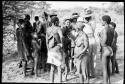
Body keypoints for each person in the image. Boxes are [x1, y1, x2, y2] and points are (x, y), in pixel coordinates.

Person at [46, 16, 64, 83]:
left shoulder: (48, 29)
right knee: (59, 67)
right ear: (56, 21)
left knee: (52, 68)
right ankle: (60, 82)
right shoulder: (58, 28)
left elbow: (46, 41)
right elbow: (61, 38)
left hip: (50, 50)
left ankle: (52, 82)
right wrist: (61, 46)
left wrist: (48, 49)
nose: (58, 22)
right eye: (58, 21)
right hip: (57, 49)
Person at [99, 15, 114, 83]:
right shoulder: (112, 29)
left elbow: (103, 42)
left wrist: (99, 38)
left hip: (105, 50)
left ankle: (105, 82)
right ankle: (109, 82)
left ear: (104, 22)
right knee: (108, 67)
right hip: (110, 49)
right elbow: (111, 40)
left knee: (104, 69)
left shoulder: (104, 29)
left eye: (101, 21)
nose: (101, 22)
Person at [82, 9, 97, 77]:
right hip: (92, 40)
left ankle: (89, 74)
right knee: (92, 58)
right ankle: (91, 73)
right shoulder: (92, 22)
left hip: (89, 40)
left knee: (89, 57)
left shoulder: (87, 24)